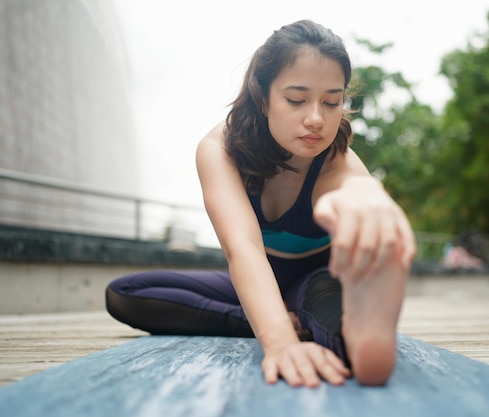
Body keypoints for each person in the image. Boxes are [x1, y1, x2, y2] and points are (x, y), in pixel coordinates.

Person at [105, 20, 415, 388]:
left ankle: (352, 330)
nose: (316, 118)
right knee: (127, 295)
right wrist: (279, 339)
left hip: (317, 282)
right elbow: (244, 250)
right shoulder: (220, 149)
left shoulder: (337, 161)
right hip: (252, 281)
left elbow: (359, 189)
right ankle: (280, 320)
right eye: (296, 100)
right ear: (264, 98)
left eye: (332, 101)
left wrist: (368, 195)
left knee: (341, 323)